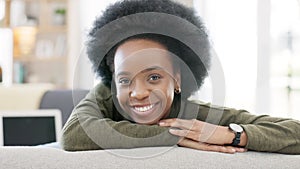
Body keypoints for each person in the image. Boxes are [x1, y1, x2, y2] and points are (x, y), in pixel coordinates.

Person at [61, 0, 300, 154]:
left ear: (177, 79)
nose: (138, 92)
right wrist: (171, 137)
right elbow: (73, 135)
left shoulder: (193, 116)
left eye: (153, 77)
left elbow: (295, 131)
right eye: (124, 80)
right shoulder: (105, 93)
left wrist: (232, 135)